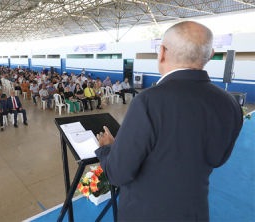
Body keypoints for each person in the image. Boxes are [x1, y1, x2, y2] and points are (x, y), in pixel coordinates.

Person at [94, 21, 243, 221]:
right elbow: (218, 159)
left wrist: (107, 149)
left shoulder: (148, 101)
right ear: (209, 55)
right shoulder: (229, 102)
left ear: (162, 53)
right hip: (195, 213)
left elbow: (119, 174)